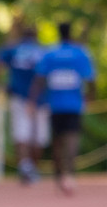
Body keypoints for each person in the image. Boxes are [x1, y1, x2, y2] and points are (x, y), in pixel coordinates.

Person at [31, 21, 95, 195]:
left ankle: (60, 175)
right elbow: (90, 79)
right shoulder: (80, 53)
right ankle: (69, 174)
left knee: (58, 141)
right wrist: (90, 98)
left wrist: (34, 100)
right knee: (72, 138)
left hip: (55, 104)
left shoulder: (50, 54)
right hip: (74, 104)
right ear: (71, 33)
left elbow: (39, 79)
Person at [0, 22, 47, 183]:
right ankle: (32, 169)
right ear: (36, 35)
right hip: (41, 99)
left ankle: (25, 167)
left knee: (21, 134)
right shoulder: (43, 51)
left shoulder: (13, 49)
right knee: (38, 137)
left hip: (19, 96)